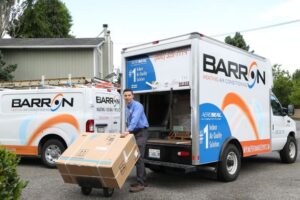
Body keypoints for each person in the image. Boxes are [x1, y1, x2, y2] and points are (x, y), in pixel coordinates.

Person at [121, 88, 149, 193]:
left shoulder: (138, 106)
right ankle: (144, 180)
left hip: (141, 132)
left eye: (129, 95)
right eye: (125, 95)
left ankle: (140, 184)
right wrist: (127, 131)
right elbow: (128, 121)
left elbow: (135, 119)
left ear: (133, 96)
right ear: (124, 97)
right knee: (137, 157)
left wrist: (128, 130)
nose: (127, 97)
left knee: (139, 157)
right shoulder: (127, 107)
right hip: (134, 132)